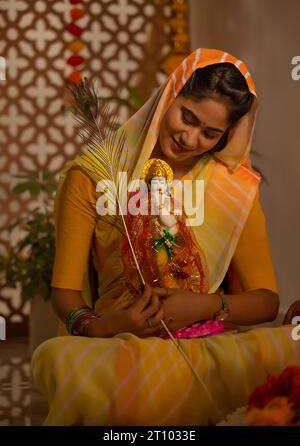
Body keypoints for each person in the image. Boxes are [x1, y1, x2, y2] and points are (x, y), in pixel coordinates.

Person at [32, 48, 300, 426]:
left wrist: (206, 306)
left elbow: (265, 302)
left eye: (210, 133)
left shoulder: (231, 189)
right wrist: (104, 326)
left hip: (208, 343)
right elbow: (65, 293)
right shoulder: (93, 176)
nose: (190, 139)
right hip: (116, 345)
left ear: (226, 135)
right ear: (167, 98)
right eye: (186, 118)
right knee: (61, 360)